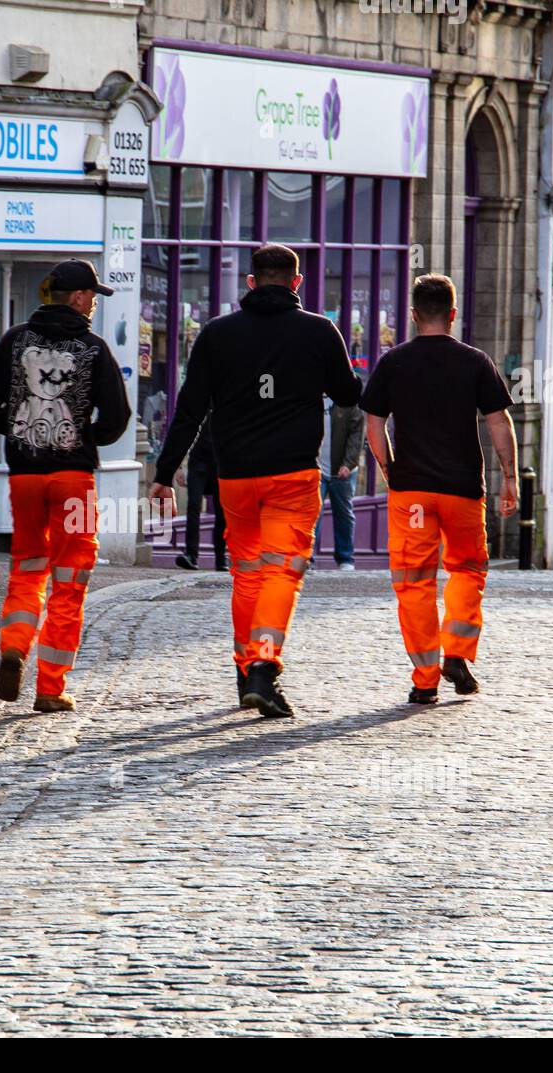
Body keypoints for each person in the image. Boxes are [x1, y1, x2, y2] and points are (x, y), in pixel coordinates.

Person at [149, 244, 361, 718]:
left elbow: (189, 408)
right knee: (282, 570)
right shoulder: (319, 331)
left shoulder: (217, 334)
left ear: (250, 282)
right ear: (297, 283)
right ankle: (264, 667)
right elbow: (349, 393)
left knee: (246, 572)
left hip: (237, 477)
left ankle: (247, 669)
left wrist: (165, 474)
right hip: (293, 473)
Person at [0, 258, 132, 713]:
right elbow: (117, 418)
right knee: (70, 577)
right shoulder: (94, 348)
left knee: (28, 565)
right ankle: (50, 688)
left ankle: (15, 645)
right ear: (81, 298)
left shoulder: (13, 340)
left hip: (25, 476)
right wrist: (88, 436)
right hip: (75, 479)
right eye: (92, 297)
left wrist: (22, 431)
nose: (93, 306)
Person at [360, 273, 519, 705]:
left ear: (413, 316)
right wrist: (510, 477)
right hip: (462, 489)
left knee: (414, 583)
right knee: (468, 570)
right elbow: (498, 422)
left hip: (411, 489)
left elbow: (373, 422)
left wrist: (389, 467)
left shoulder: (393, 363)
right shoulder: (474, 361)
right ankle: (458, 652)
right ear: (452, 314)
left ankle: (425, 678)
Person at [312, 399, 365, 570]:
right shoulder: (310, 399)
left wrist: (348, 464)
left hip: (342, 470)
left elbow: (357, 436)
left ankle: (345, 558)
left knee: (343, 514)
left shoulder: (347, 400)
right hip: (316, 470)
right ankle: (307, 557)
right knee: (312, 514)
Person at [174, 416, 227, 572]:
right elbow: (185, 430)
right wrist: (178, 466)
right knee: (193, 505)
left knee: (221, 511)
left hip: (222, 463)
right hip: (198, 462)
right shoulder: (202, 401)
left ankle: (220, 557)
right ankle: (191, 555)